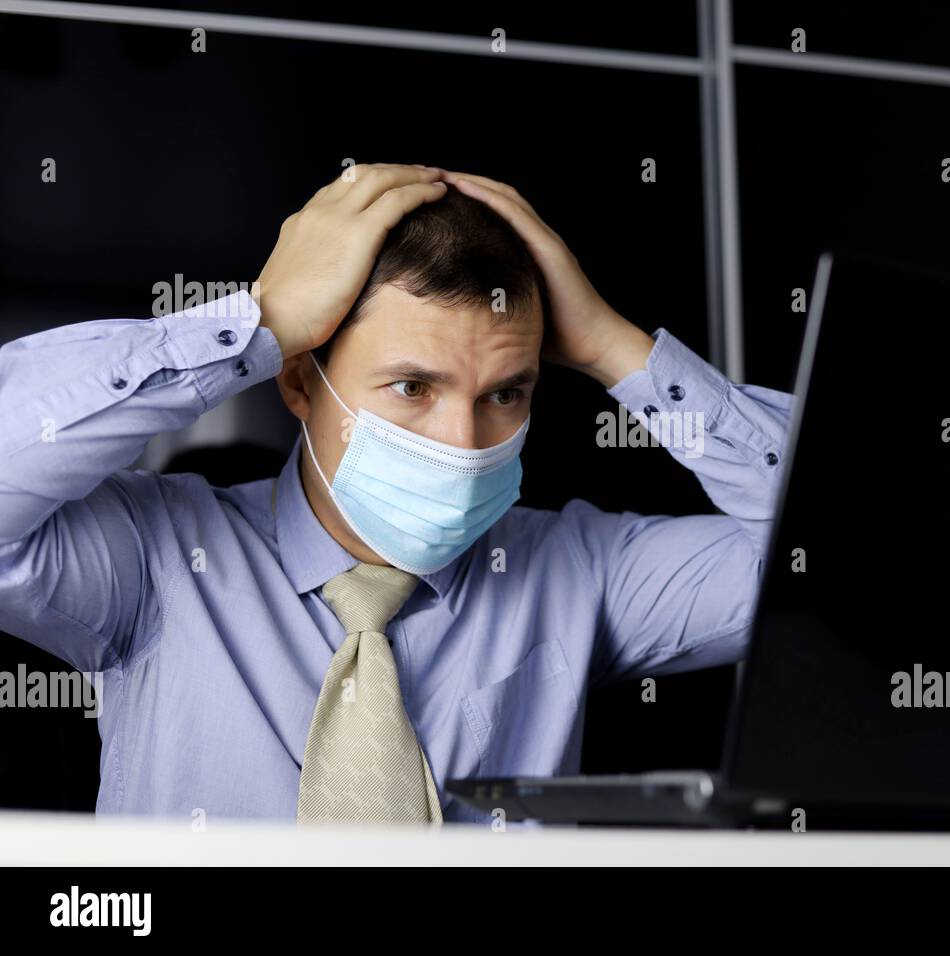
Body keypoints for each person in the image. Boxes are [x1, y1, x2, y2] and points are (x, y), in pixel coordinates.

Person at [0, 164, 793, 825]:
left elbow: (865, 548)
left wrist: (616, 348)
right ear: (300, 384)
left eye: (506, 394)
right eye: (412, 385)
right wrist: (260, 322)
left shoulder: (581, 570)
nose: (462, 441)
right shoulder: (154, 557)